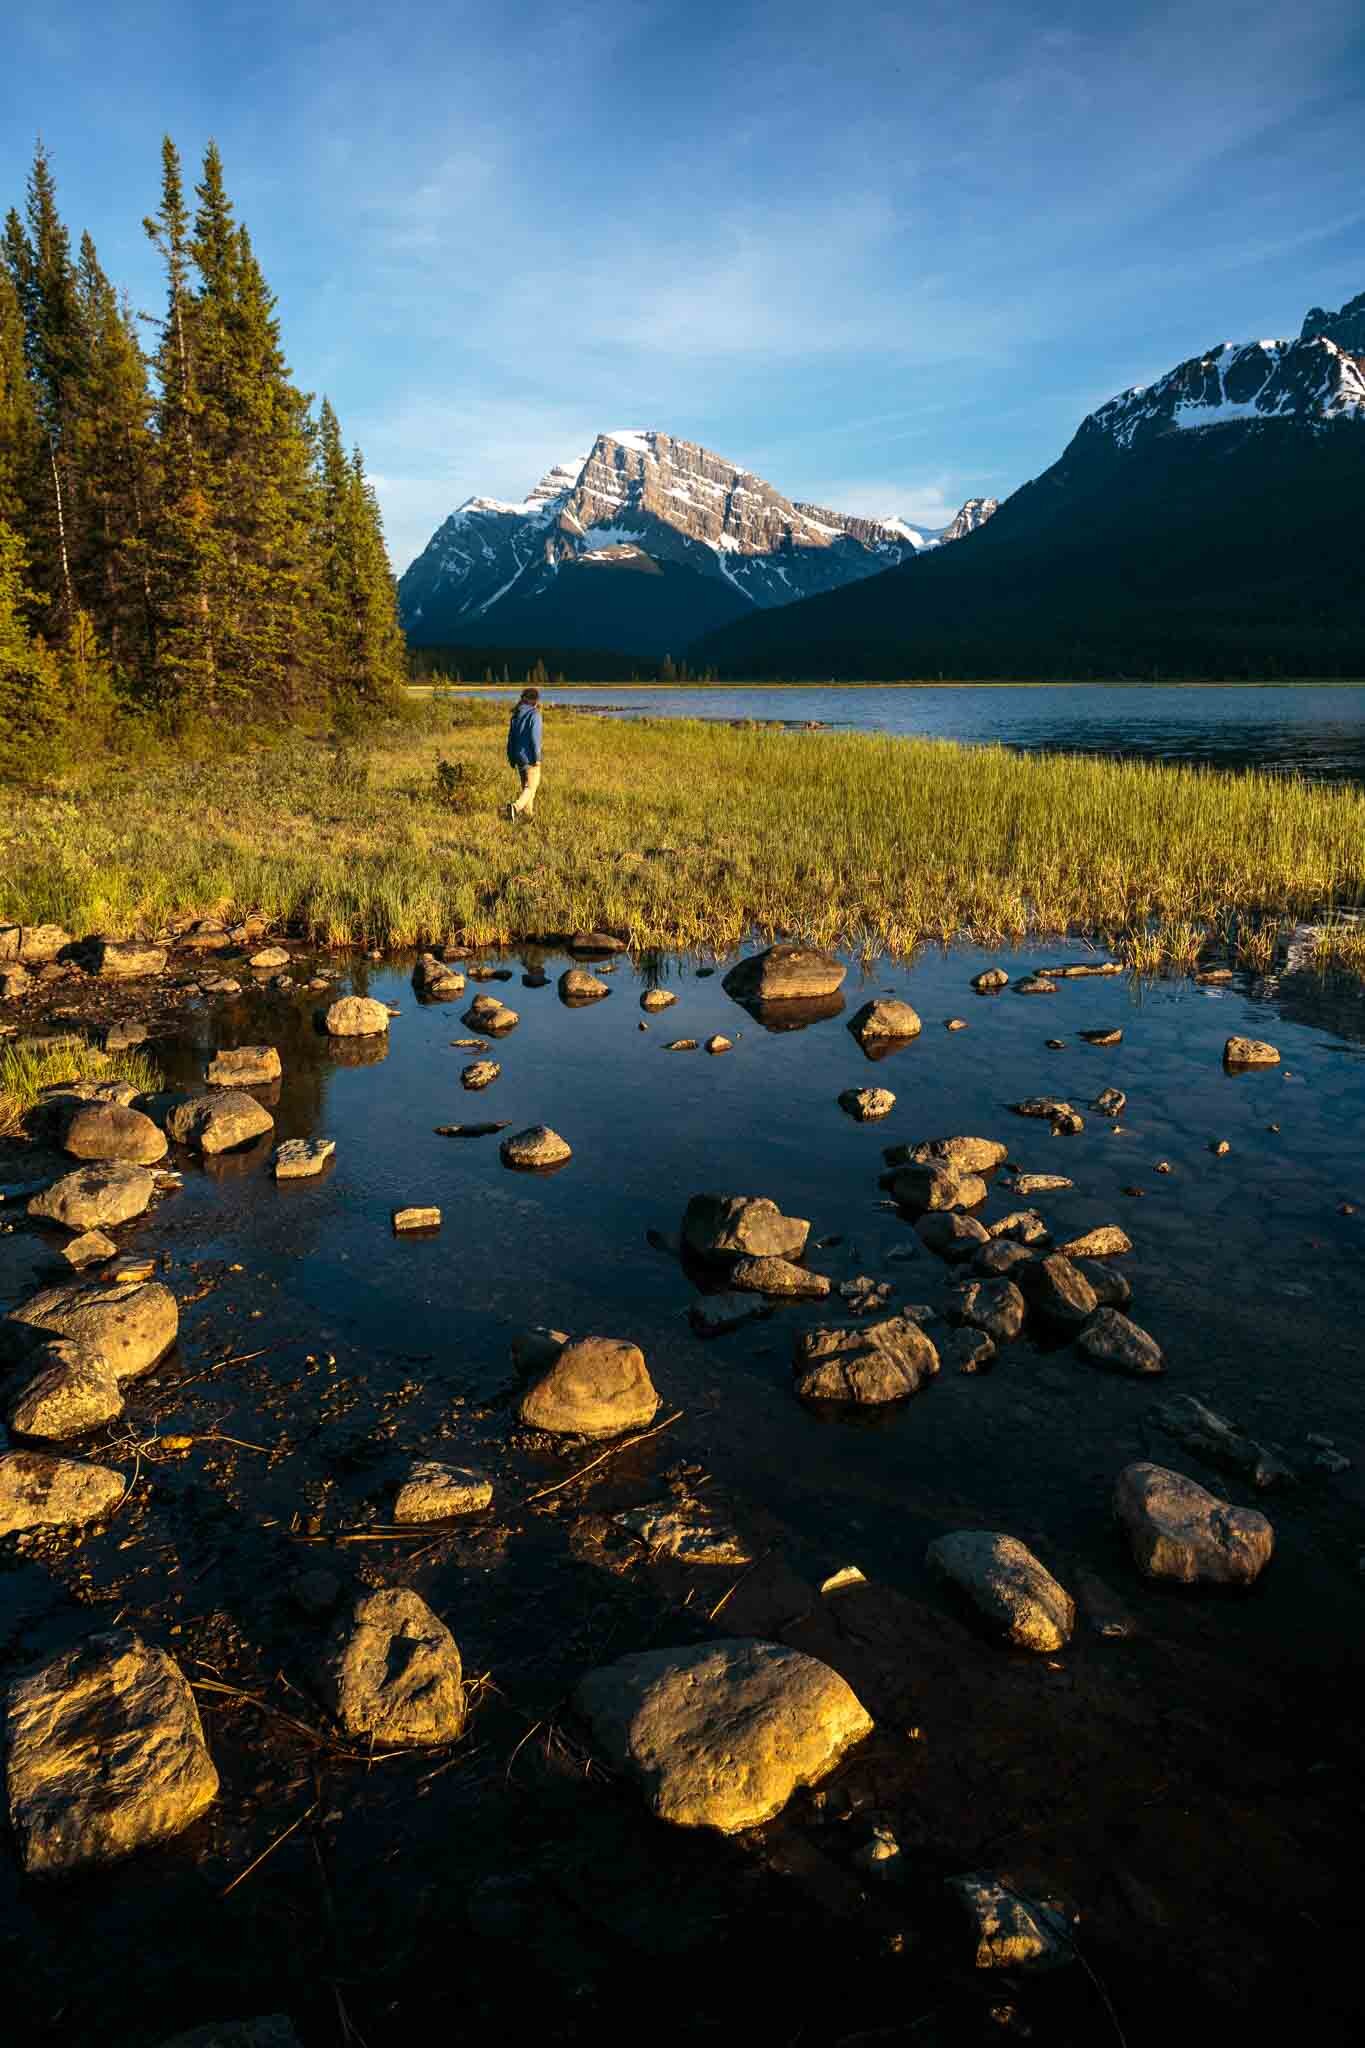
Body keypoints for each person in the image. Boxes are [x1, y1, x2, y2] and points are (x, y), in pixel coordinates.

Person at [506, 686, 543, 820]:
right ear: (535, 700)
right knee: (531, 787)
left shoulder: (516, 714)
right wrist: (537, 757)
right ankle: (515, 807)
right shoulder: (534, 714)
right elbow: (535, 737)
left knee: (527, 788)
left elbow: (510, 738)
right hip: (530, 757)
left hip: (518, 757)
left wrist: (511, 757)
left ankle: (528, 817)